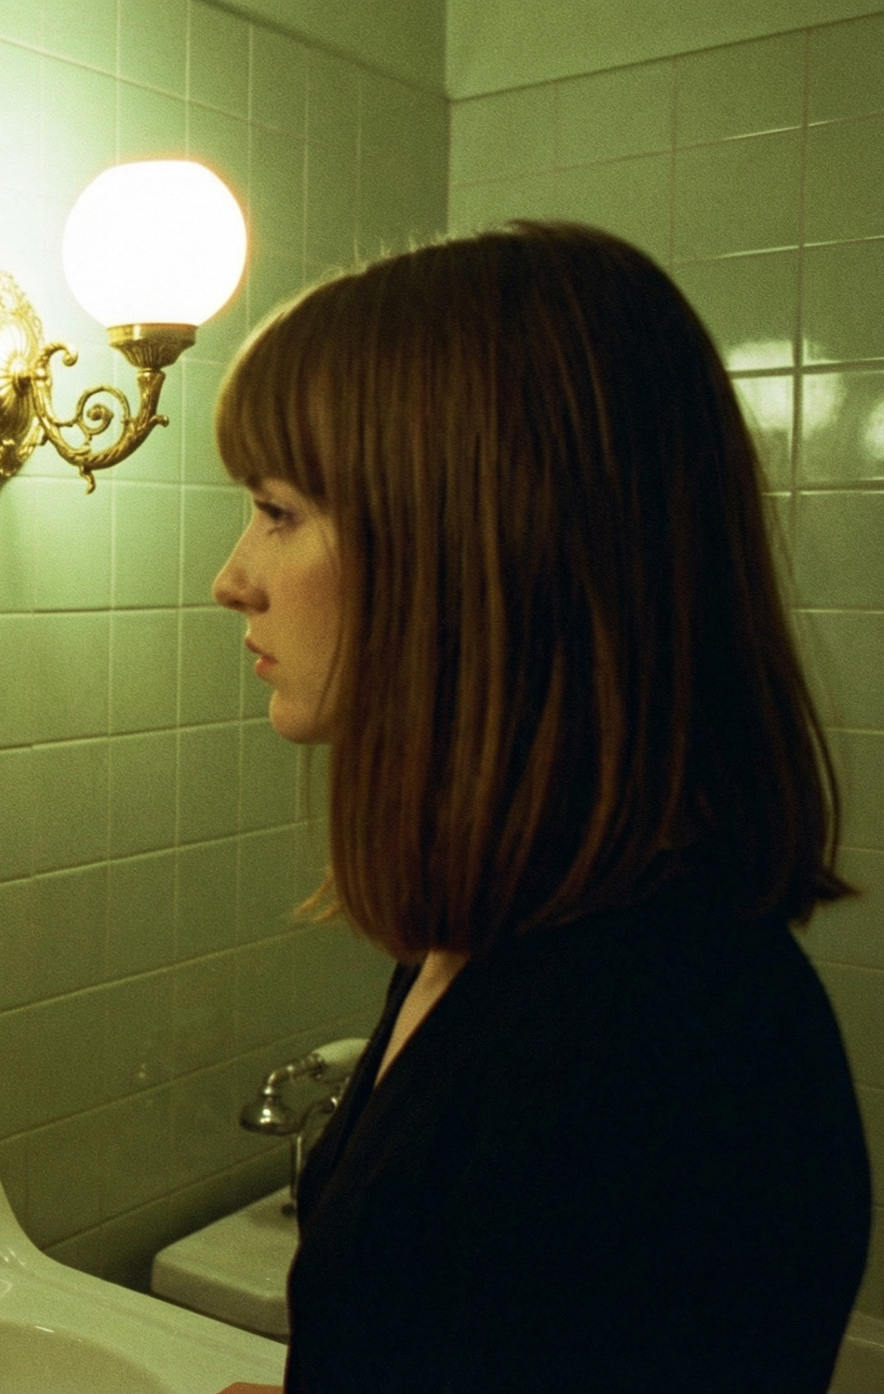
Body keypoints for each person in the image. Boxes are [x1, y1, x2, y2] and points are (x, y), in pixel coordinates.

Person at [209, 222, 868, 1392]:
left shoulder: (664, 1055)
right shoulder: (482, 943)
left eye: (276, 511)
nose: (233, 577)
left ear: (463, 545)